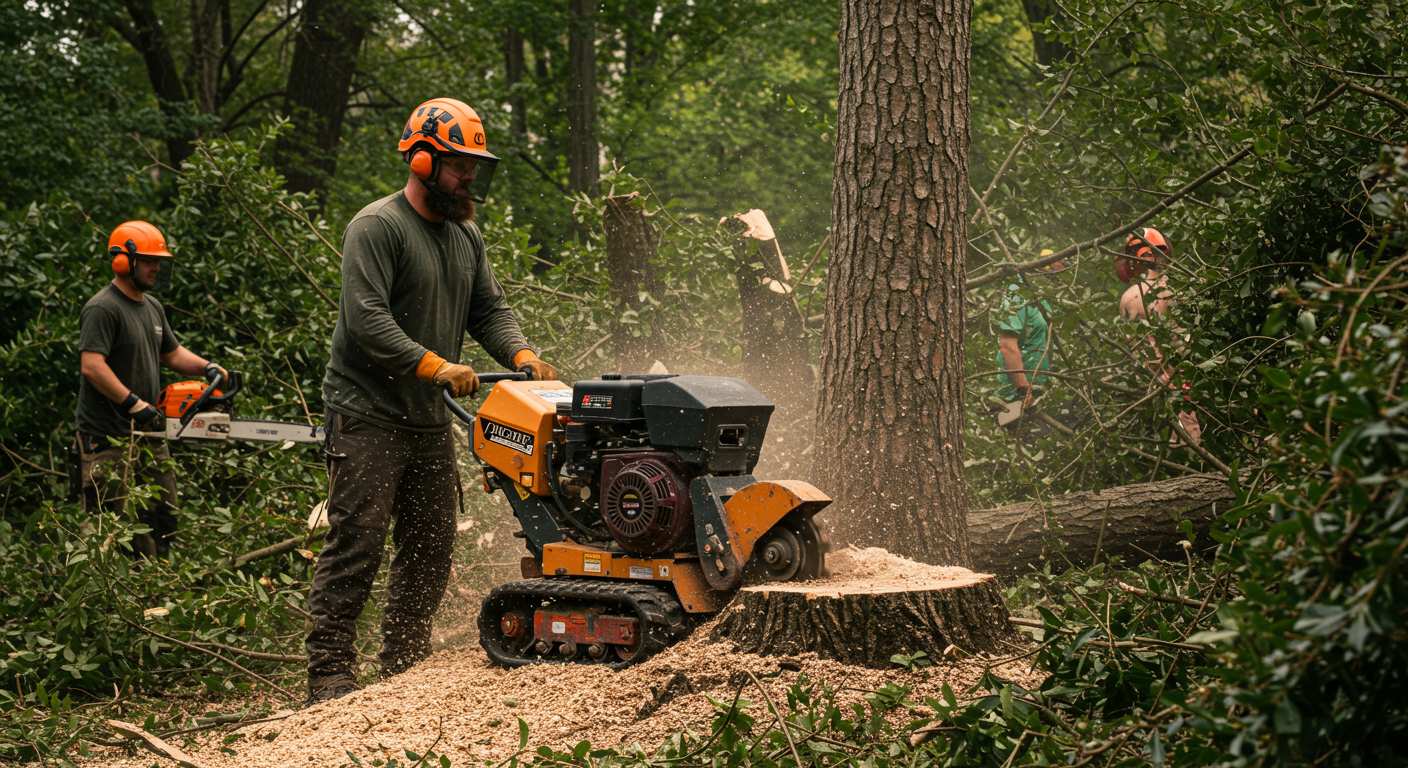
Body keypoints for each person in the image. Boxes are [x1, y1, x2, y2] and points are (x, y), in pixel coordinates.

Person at [305, 97, 558, 705]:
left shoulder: (465, 235)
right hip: (367, 415)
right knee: (357, 541)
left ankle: (403, 658)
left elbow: (488, 309)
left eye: (475, 165)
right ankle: (330, 672)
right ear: (422, 159)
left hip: (424, 419)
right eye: (458, 164)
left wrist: (520, 355)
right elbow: (364, 318)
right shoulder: (377, 227)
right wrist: (434, 364)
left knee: (431, 543)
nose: (469, 176)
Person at [75, 220, 226, 557]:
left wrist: (208, 367)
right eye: (148, 260)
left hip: (148, 431)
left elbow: (171, 353)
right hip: (108, 436)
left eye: (158, 261)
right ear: (123, 261)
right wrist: (133, 403)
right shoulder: (103, 307)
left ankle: (157, 586)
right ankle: (110, 595)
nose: (156, 267)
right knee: (110, 523)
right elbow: (92, 365)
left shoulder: (152, 307)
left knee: (163, 512)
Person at [1115, 227, 1201, 445]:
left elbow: (1134, 346)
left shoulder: (1129, 297)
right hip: (1184, 373)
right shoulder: (1181, 288)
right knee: (1190, 436)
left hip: (1153, 377)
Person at [994, 250, 1061, 425]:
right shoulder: (1017, 293)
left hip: (1037, 391)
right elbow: (1007, 345)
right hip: (1013, 394)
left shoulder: (1044, 299)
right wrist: (1023, 388)